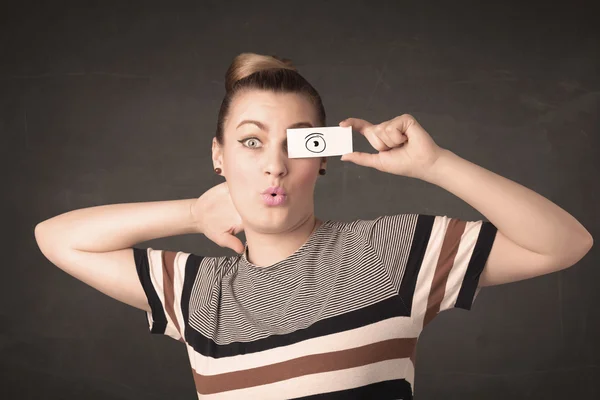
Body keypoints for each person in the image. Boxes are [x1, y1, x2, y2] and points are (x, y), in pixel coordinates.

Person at [34, 52, 593, 399]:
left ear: (322, 158)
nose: (274, 164)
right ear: (218, 157)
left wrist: (435, 164)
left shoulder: (385, 254)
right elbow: (56, 238)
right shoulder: (197, 293)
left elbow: (565, 243)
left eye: (295, 143)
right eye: (251, 142)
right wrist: (191, 212)